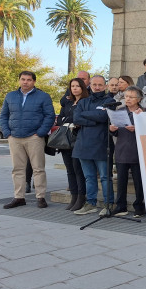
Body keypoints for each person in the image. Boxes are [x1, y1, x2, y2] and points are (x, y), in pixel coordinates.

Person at [0, 71, 55, 209]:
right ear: (19, 80)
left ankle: (40, 197)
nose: (25, 82)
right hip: (15, 138)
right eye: (23, 79)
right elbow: (4, 115)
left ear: (34, 82)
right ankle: (19, 197)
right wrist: (7, 133)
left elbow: (50, 116)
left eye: (29, 80)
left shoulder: (43, 96)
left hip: (34, 137)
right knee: (17, 169)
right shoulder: (10, 96)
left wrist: (40, 133)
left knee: (38, 168)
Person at [73, 76, 116, 215]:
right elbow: (76, 118)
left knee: (105, 177)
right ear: (89, 85)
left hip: (101, 144)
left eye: (100, 85)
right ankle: (90, 203)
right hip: (83, 145)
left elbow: (104, 117)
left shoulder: (110, 101)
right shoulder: (83, 101)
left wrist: (86, 116)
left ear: (105, 86)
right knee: (89, 177)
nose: (97, 87)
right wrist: (94, 120)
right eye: (94, 84)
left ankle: (108, 204)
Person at [109, 86, 146, 217]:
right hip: (122, 149)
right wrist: (112, 129)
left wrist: (137, 128)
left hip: (138, 151)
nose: (128, 99)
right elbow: (117, 132)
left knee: (138, 181)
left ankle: (139, 206)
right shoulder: (120, 111)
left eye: (131, 97)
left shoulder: (144, 112)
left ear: (139, 99)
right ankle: (120, 206)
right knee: (121, 181)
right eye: (126, 97)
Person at [58, 78, 89, 211]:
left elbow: (82, 118)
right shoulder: (69, 102)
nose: (75, 88)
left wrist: (73, 123)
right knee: (70, 170)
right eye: (72, 86)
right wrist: (63, 122)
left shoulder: (85, 102)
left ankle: (81, 198)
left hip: (78, 138)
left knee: (78, 170)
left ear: (83, 87)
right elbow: (60, 116)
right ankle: (73, 196)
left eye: (77, 86)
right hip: (66, 139)